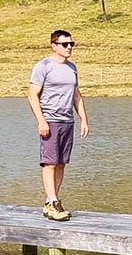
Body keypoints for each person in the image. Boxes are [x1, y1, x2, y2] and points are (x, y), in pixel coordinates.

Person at [27, 30, 89, 221]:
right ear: (54, 46)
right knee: (50, 163)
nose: (69, 47)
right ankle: (53, 202)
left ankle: (50, 201)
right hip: (51, 121)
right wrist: (41, 120)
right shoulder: (43, 66)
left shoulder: (72, 68)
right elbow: (32, 95)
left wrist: (84, 120)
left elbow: (76, 95)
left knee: (61, 163)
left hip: (67, 121)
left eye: (72, 44)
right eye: (65, 44)